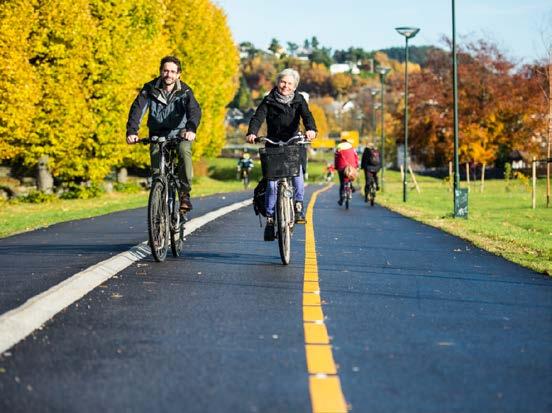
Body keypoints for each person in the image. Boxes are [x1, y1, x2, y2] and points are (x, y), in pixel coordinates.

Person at [246, 68, 317, 241]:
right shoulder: (269, 100)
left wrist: (311, 129)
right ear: (278, 83)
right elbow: (258, 117)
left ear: (295, 86)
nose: (285, 86)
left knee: (296, 174)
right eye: (283, 82)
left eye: (289, 83)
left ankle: (298, 206)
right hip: (273, 143)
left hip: (293, 142)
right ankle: (270, 219)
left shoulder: (299, 99)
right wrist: (252, 132)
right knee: (271, 184)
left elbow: (307, 116)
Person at [126, 55, 201, 211]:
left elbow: (194, 111)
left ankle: (184, 194)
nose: (169, 75)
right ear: (160, 71)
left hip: (180, 132)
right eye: (165, 71)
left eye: (173, 72)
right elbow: (137, 109)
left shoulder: (185, 91)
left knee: (183, 151)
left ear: (178, 74)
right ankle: (158, 199)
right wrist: (132, 131)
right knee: (157, 171)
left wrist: (191, 129)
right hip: (157, 132)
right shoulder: (149, 89)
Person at [334, 137, 359, 205]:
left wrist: (336, 167)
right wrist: (356, 166)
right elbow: (356, 157)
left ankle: (341, 199)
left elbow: (336, 158)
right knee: (350, 177)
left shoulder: (338, 148)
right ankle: (351, 186)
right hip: (352, 166)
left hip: (341, 167)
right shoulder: (352, 148)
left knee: (342, 182)